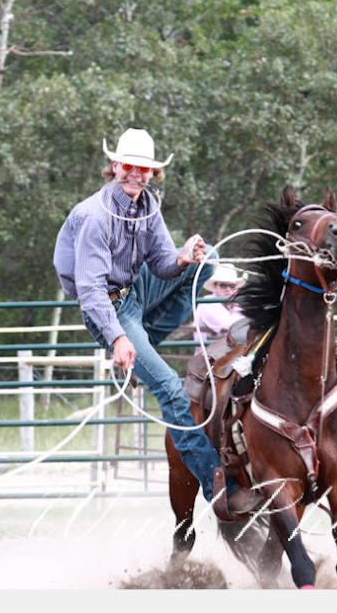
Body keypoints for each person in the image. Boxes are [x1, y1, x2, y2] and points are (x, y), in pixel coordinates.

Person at [53, 128, 263, 516]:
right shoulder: (95, 217)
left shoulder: (147, 205)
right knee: (170, 388)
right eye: (129, 166)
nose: (136, 174)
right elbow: (91, 289)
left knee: (208, 263)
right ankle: (218, 486)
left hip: (133, 293)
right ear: (115, 166)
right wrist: (118, 337)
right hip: (107, 307)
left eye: (144, 168)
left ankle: (141, 349)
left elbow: (164, 264)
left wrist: (183, 258)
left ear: (153, 172)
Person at [193, 263, 246, 348]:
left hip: (230, 351)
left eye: (232, 286)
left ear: (237, 289)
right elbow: (228, 326)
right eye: (223, 285)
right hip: (209, 354)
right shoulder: (207, 303)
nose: (228, 289)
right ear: (215, 287)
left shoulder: (236, 304)